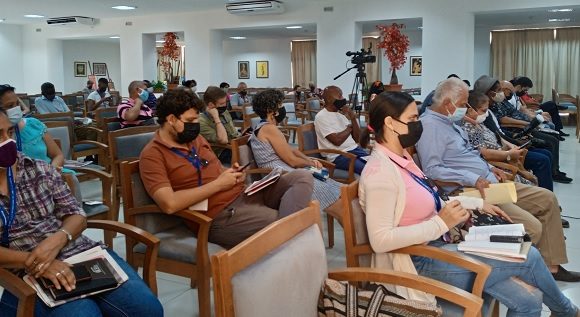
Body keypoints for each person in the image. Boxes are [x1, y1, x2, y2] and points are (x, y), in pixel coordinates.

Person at [358, 91, 579, 317]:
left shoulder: (402, 158)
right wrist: (441, 223)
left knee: (528, 301)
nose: (418, 124)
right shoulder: (380, 173)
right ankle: (567, 311)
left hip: (436, 246)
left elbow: (428, 198)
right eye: (413, 119)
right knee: (528, 255)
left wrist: (474, 203)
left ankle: (566, 311)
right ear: (390, 123)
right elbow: (380, 241)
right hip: (416, 260)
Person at [0, 109, 164, 317]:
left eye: (10, 132)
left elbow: (76, 215)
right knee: (84, 314)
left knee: (147, 310)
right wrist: (32, 261)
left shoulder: (38, 169)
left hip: (79, 251)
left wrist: (59, 238)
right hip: (24, 267)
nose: (8, 142)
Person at [416, 77, 579, 281]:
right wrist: (473, 178)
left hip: (490, 180)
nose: (466, 108)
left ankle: (552, 267)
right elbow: (432, 170)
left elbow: (469, 154)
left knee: (547, 198)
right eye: (462, 104)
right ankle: (515, 275)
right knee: (533, 228)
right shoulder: (430, 127)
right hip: (471, 190)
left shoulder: (449, 123)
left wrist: (491, 168)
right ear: (447, 104)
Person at [139, 88, 313, 249]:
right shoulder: (153, 155)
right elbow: (169, 204)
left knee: (302, 177)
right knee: (291, 223)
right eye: (190, 120)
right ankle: (286, 234)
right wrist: (219, 185)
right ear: (171, 119)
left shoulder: (195, 140)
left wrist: (231, 173)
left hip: (243, 195)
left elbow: (216, 169)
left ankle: (286, 234)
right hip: (219, 215)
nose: (195, 125)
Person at [249, 89, 342, 214]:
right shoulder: (269, 129)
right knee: (330, 192)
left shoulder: (266, 127)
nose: (282, 108)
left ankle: (343, 210)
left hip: (283, 169)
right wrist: (311, 164)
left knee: (331, 186)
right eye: (280, 105)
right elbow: (292, 161)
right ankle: (344, 215)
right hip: (278, 174)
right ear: (270, 111)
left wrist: (310, 160)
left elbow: (291, 150)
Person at [475, 76, 572, 184]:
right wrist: (518, 137)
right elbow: (498, 133)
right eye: (499, 91)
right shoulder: (482, 115)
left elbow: (500, 132)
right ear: (489, 92)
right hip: (506, 145)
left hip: (511, 139)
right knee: (545, 154)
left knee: (548, 147)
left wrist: (521, 134)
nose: (501, 93)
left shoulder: (492, 108)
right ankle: (548, 185)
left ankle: (553, 174)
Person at [460, 91, 553, 191]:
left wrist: (509, 147)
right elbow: (484, 154)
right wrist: (508, 154)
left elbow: (497, 138)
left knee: (544, 154)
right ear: (470, 110)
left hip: (504, 156)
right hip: (497, 163)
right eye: (484, 111)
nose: (486, 114)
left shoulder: (479, 124)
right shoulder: (470, 128)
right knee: (535, 171)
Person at [0, 84, 65, 171]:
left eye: (17, 104)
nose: (16, 109)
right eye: (10, 106)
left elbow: (58, 155)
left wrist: (50, 174)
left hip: (48, 176)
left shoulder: (34, 124)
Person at [315, 86, 368, 175]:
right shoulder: (321, 117)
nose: (343, 99)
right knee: (368, 170)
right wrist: (349, 128)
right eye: (340, 96)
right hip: (338, 155)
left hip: (354, 150)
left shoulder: (340, 115)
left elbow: (357, 138)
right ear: (329, 99)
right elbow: (337, 141)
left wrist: (353, 118)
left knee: (377, 164)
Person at [199, 86, 239, 164]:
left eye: (225, 102)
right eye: (221, 103)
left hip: (234, 145)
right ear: (210, 105)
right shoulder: (201, 121)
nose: (225, 106)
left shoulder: (224, 112)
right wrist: (216, 118)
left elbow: (233, 133)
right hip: (221, 152)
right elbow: (223, 140)